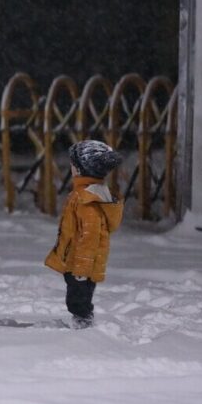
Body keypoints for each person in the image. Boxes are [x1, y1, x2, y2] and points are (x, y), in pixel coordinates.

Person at [44, 140, 124, 328]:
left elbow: (89, 236)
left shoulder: (86, 199)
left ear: (81, 169)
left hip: (80, 264)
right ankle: (82, 320)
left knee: (78, 298)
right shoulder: (86, 193)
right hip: (76, 261)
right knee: (79, 295)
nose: (71, 168)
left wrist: (82, 269)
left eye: (73, 165)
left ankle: (83, 323)